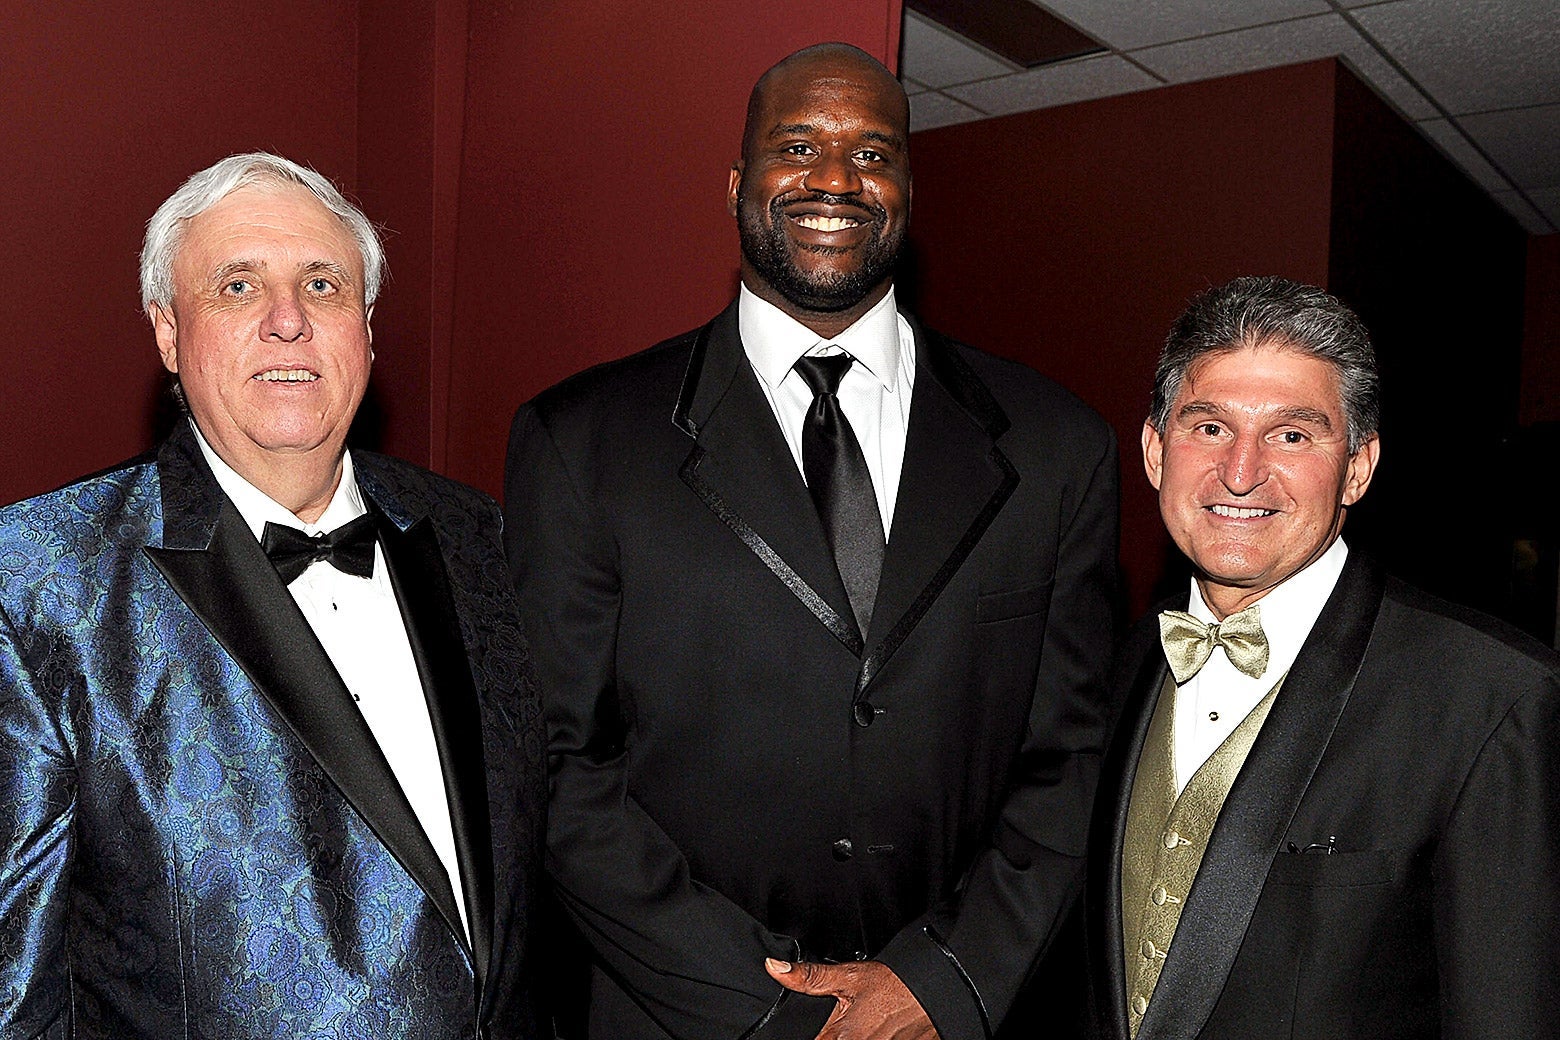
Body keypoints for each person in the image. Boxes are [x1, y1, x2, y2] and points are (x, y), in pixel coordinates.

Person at [505, 42, 1117, 1040]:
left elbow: (1073, 759)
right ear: (740, 184)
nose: (836, 178)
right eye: (799, 145)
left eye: (874, 154)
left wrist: (945, 980)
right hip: (686, 1015)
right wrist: (772, 1008)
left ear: (909, 191)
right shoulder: (581, 442)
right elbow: (560, 767)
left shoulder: (1057, 446)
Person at [0, 152, 545, 1039]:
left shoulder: (475, 533)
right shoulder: (37, 580)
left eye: (323, 285)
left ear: (367, 327)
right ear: (168, 333)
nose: (288, 321)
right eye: (238, 286)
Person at [1085, 275, 1560, 1039]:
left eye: (1293, 434)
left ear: (1359, 467)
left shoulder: (1494, 697)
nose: (1241, 471)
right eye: (1208, 427)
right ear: (1153, 449)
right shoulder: (1120, 661)